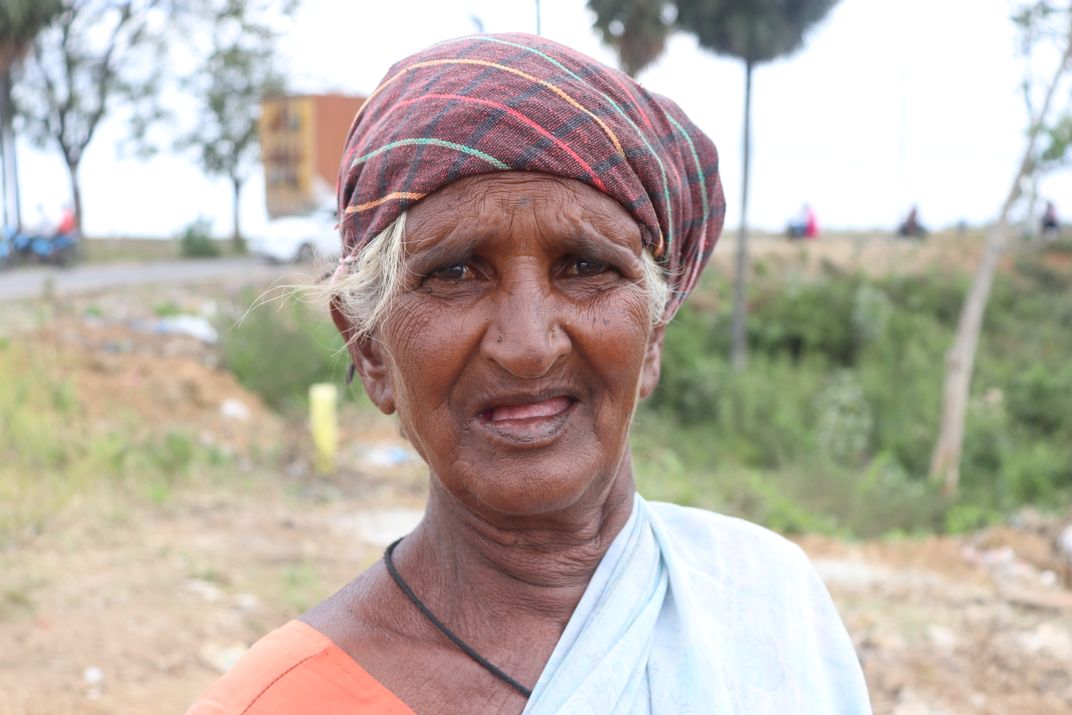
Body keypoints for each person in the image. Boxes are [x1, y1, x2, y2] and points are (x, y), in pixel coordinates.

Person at [187, 33, 871, 714]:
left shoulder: (768, 605)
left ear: (654, 334)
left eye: (585, 266)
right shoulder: (282, 701)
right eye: (455, 271)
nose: (528, 346)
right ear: (370, 349)